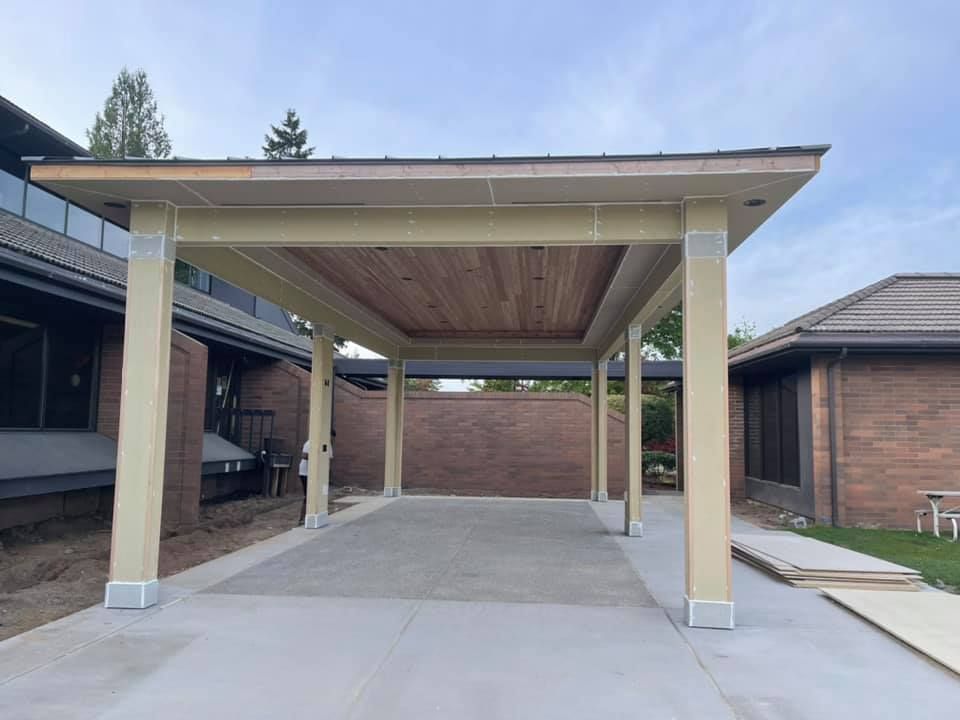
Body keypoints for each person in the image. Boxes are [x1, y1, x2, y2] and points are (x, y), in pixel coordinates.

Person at [298, 430, 335, 524]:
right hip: (306, 473)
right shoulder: (310, 442)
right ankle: (302, 518)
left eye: (332, 439)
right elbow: (304, 455)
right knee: (309, 495)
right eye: (330, 437)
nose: (331, 440)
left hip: (319, 474)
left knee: (319, 494)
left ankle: (316, 514)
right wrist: (317, 456)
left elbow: (328, 459)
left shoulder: (328, 445)